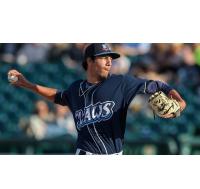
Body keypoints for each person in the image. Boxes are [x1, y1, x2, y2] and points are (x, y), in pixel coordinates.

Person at [8, 43, 186, 155]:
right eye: (104, 58)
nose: (109, 61)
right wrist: (28, 85)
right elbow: (57, 95)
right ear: (90, 61)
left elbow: (159, 85)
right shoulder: (75, 89)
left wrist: (180, 102)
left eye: (111, 58)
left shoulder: (122, 82)